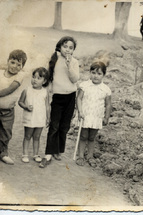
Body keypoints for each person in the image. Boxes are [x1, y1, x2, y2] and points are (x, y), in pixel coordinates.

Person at [40, 36, 79, 168]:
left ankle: (58, 150)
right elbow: (49, 79)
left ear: (73, 50)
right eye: (65, 46)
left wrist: (69, 66)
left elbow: (75, 79)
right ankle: (48, 153)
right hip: (57, 97)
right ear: (60, 47)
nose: (67, 49)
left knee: (64, 126)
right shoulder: (54, 60)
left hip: (70, 97)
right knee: (54, 125)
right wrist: (48, 96)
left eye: (70, 47)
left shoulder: (74, 62)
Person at [76, 61, 111, 167]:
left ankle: (90, 156)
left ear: (104, 75)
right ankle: (81, 156)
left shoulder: (106, 89)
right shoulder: (85, 86)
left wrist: (106, 117)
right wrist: (80, 111)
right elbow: (79, 98)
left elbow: (108, 104)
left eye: (99, 74)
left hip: (96, 116)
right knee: (83, 136)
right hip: (85, 115)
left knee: (92, 137)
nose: (96, 76)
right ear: (90, 73)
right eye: (93, 73)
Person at [0, 50, 27, 165]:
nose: (15, 66)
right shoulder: (1, 73)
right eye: (12, 62)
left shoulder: (20, 76)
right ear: (7, 61)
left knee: (6, 133)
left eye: (19, 65)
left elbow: (10, 89)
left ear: (22, 67)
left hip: (8, 111)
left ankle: (3, 153)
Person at [18, 67, 50, 163]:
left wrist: (48, 118)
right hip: (30, 117)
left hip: (40, 118)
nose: (35, 80)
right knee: (27, 136)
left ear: (44, 81)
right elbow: (20, 102)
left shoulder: (45, 92)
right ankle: (25, 154)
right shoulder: (27, 90)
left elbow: (47, 106)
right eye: (34, 77)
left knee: (37, 137)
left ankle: (36, 154)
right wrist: (26, 107)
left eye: (38, 78)